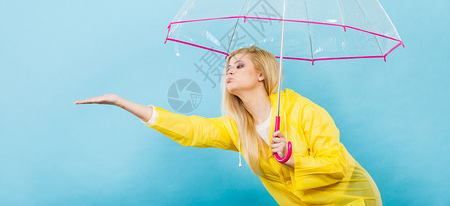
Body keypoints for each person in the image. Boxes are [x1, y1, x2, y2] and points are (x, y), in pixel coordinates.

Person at [75, 46, 382, 205]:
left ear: (261, 74)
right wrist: (123, 103)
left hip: (351, 201)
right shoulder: (239, 129)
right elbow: (193, 130)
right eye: (227, 68)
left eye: (239, 65)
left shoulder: (303, 111)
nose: (229, 72)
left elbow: (335, 165)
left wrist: (291, 158)